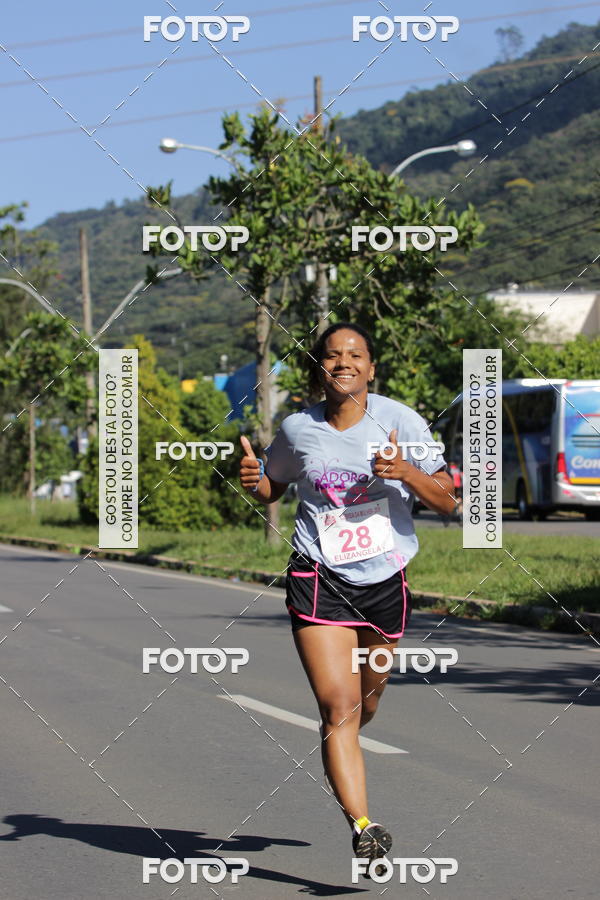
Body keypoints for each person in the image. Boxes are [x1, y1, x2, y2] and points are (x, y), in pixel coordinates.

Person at [239, 322, 455, 876]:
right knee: (338, 710)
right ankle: (364, 828)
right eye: (333, 356)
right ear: (321, 368)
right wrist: (254, 481)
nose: (343, 363)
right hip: (318, 576)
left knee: (366, 704)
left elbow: (449, 500)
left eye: (355, 354)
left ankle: (357, 734)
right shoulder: (298, 427)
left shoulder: (401, 421)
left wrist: (405, 470)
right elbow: (274, 485)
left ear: (371, 367)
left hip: (384, 581)